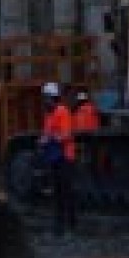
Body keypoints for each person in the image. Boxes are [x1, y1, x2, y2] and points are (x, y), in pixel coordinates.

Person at [39, 79, 79, 233]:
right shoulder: (49, 114)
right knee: (57, 193)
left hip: (64, 157)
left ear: (51, 97)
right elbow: (47, 132)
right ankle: (59, 225)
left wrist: (50, 138)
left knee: (65, 192)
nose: (44, 101)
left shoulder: (62, 111)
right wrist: (43, 139)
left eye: (45, 98)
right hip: (54, 157)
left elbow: (66, 135)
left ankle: (70, 225)